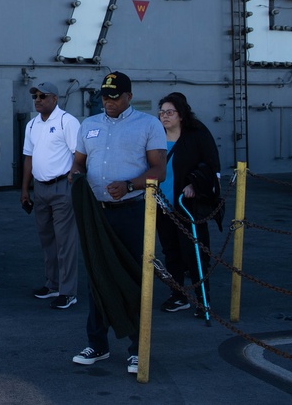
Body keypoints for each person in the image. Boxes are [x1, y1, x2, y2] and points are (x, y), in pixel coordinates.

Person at [68, 71, 166, 376]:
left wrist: (130, 185)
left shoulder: (148, 125)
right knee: (97, 275)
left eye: (114, 96)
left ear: (128, 97)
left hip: (131, 212)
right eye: (105, 96)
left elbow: (159, 170)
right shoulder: (89, 125)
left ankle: (138, 348)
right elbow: (79, 163)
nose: (108, 102)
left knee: (133, 277)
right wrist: (75, 176)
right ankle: (97, 344)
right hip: (96, 214)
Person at [156, 92, 221, 314]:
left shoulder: (197, 134)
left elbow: (211, 164)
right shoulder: (155, 134)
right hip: (161, 205)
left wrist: (195, 184)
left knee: (194, 253)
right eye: (162, 112)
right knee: (170, 252)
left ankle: (204, 299)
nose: (164, 116)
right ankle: (178, 295)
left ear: (181, 115)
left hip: (186, 206)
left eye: (170, 112)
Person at [21, 82, 81, 311]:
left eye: (42, 96)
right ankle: (53, 284)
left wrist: (73, 176)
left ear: (54, 99)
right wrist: (25, 189)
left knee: (65, 241)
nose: (37, 99)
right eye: (35, 96)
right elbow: (28, 157)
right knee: (47, 239)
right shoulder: (32, 125)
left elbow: (79, 154)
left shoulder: (67, 121)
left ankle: (68, 292)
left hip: (62, 187)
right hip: (41, 188)